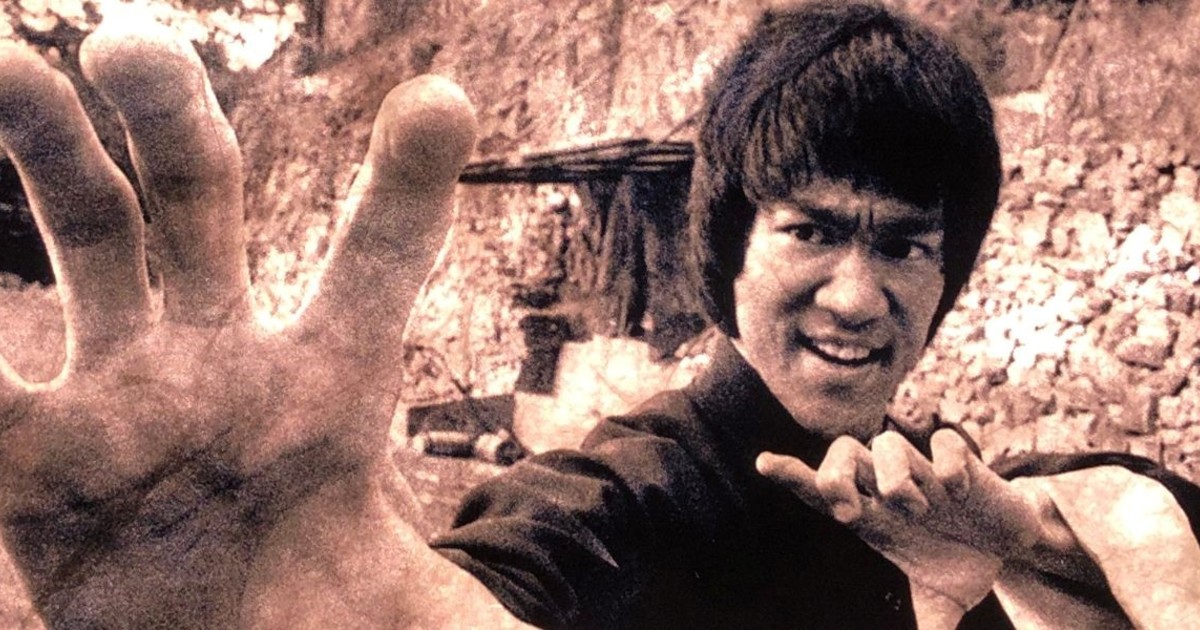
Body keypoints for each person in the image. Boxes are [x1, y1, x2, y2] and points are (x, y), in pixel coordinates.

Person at [0, 2, 1195, 629]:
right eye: (811, 230)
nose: (855, 293)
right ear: (726, 246)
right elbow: (499, 578)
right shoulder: (625, 497)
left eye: (905, 244)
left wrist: (1038, 546)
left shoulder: (945, 503)